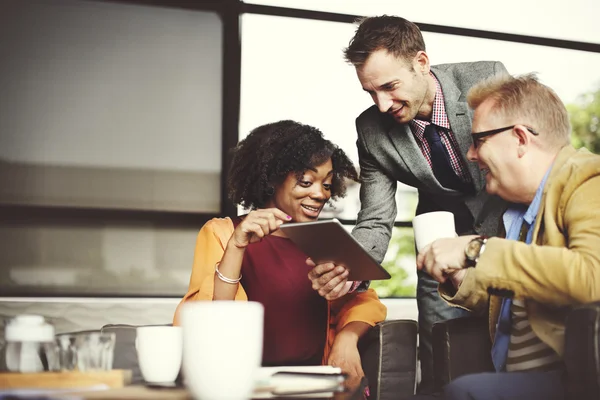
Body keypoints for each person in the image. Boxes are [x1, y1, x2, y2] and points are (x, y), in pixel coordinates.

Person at [309, 15, 509, 392]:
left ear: (421, 63)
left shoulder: (488, 80)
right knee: (441, 369)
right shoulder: (371, 131)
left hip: (509, 238)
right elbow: (375, 218)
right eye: (370, 92)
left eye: (389, 86)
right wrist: (350, 269)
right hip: (438, 253)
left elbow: (528, 154)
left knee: (517, 353)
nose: (382, 104)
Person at [416, 73, 600, 399]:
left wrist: (477, 249)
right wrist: (461, 276)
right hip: (518, 376)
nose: (471, 154)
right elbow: (521, 301)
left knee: (465, 392)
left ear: (519, 139)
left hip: (575, 379)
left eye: (479, 140)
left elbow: (592, 276)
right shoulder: (514, 215)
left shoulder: (589, 179)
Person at [173, 120, 386, 383]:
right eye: (306, 182)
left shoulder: (327, 239)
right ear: (273, 177)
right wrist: (237, 246)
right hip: (241, 385)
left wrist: (347, 338)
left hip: (316, 385)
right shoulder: (223, 232)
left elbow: (364, 301)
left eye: (328, 184)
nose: (321, 194)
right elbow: (209, 319)